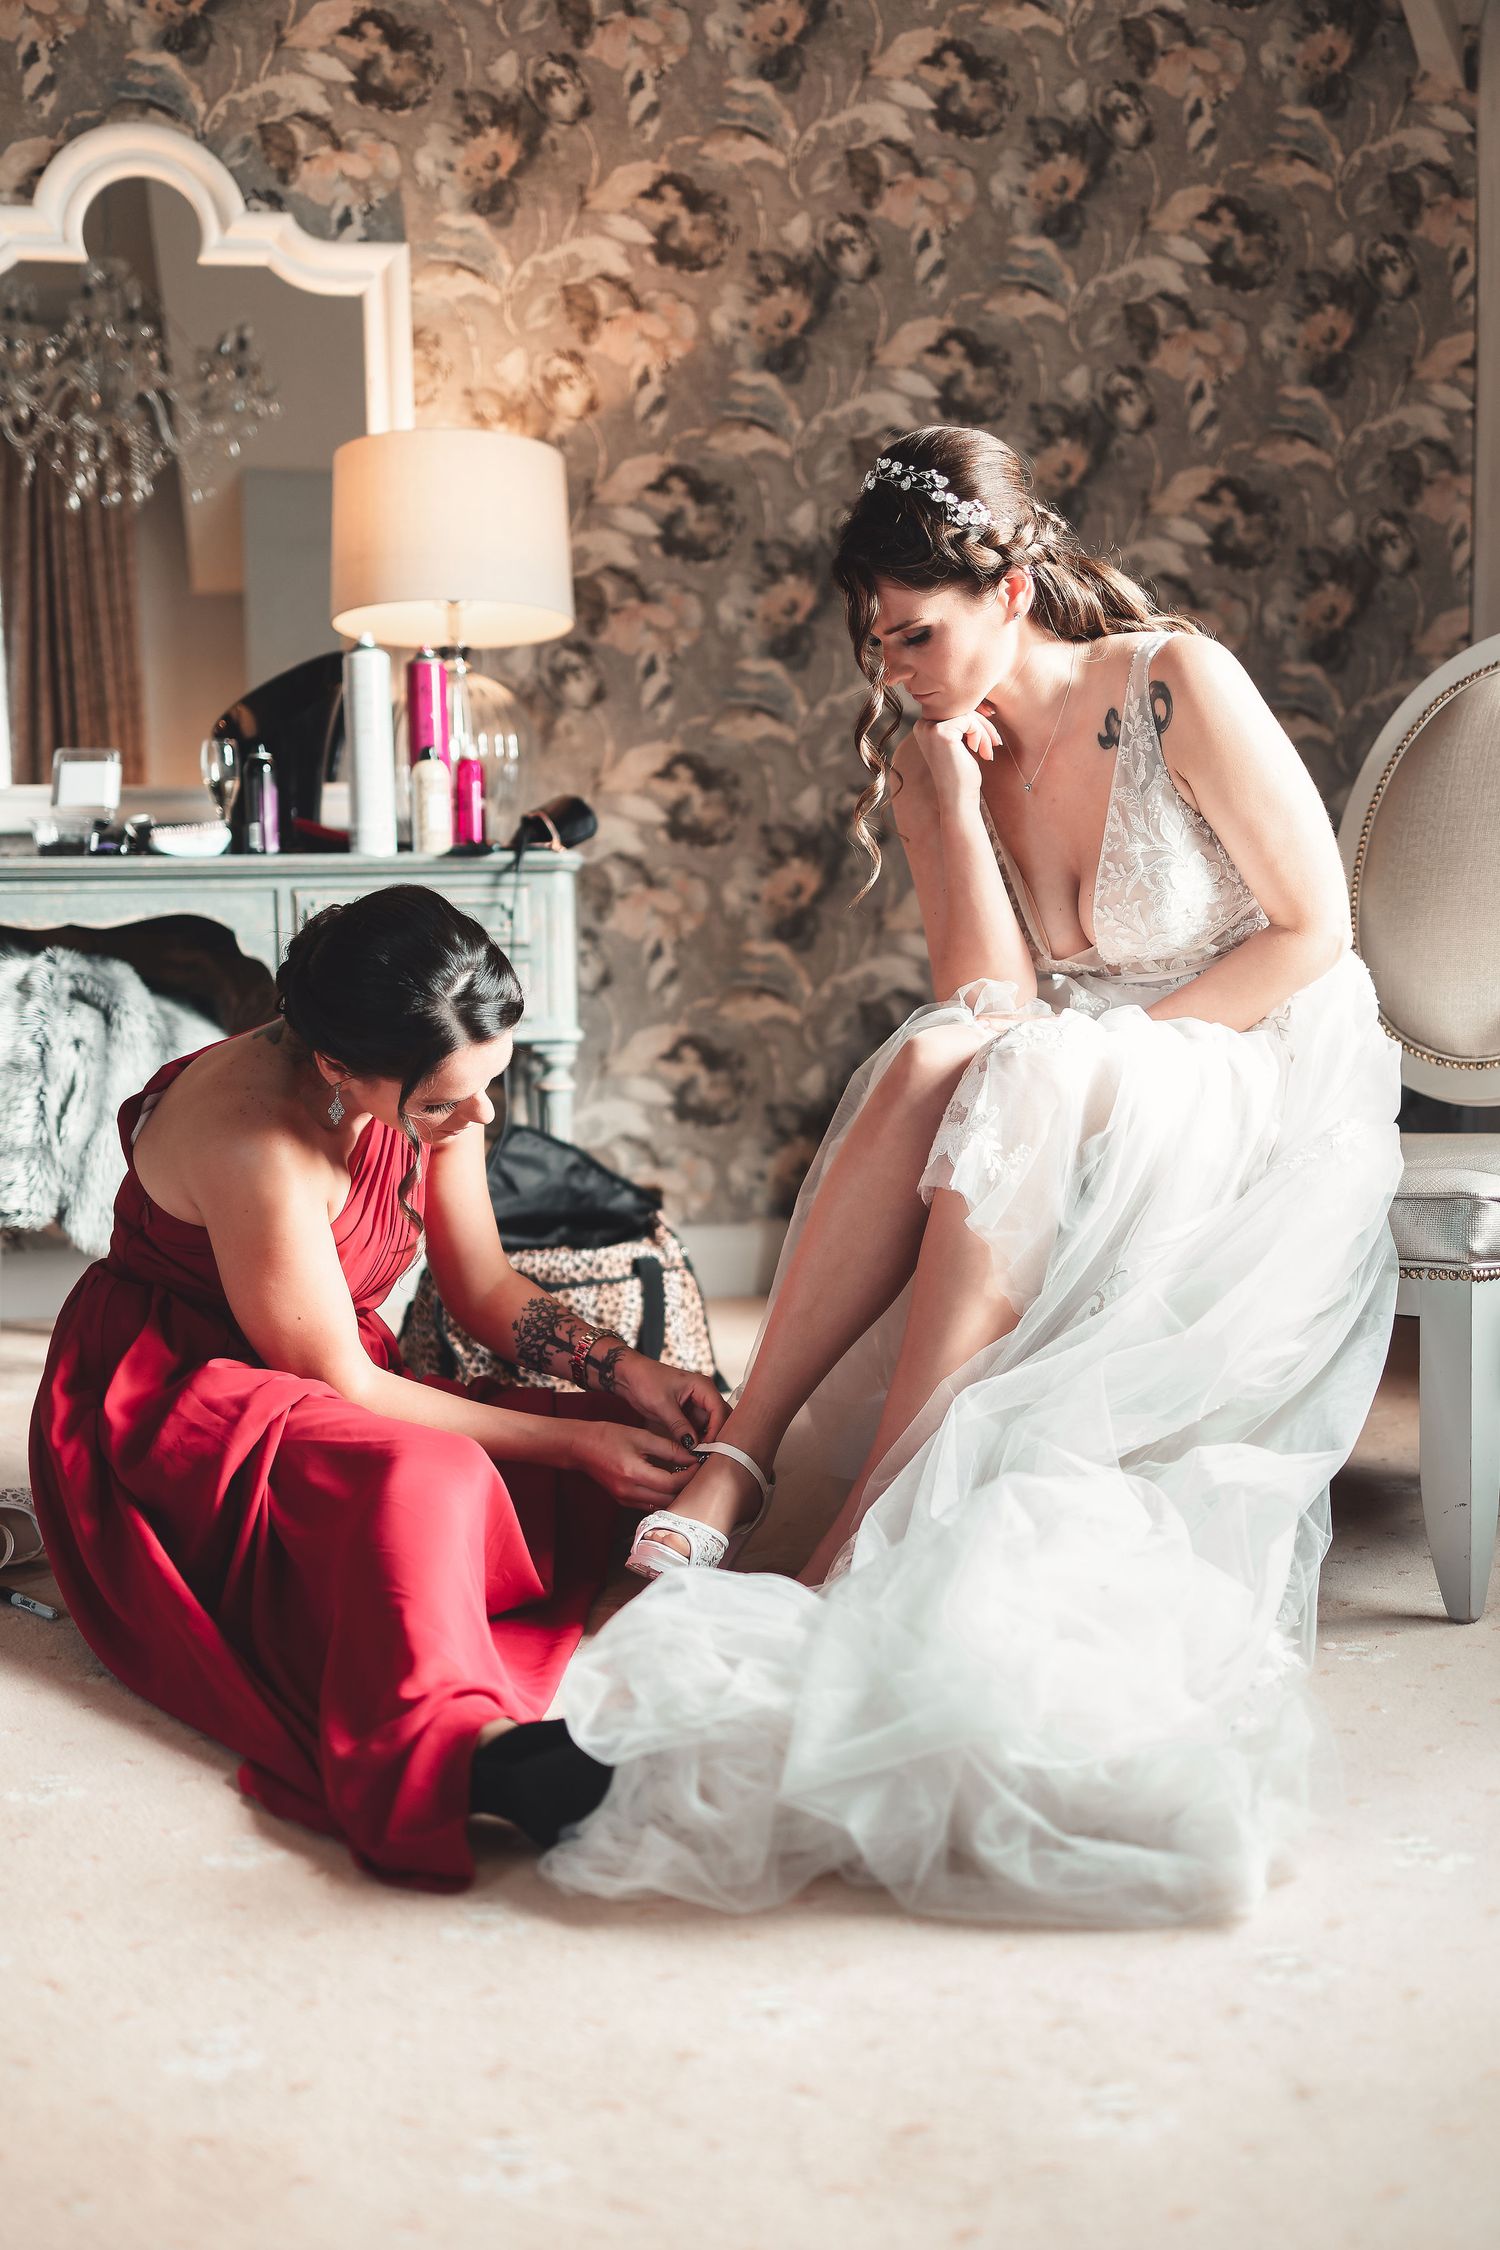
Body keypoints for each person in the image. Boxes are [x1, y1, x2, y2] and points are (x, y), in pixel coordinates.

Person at [542, 424, 1404, 1925]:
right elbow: (987, 1002)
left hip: (1261, 1058)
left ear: (1009, 585)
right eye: (877, 643)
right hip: (1071, 1070)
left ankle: (871, 1507)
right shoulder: (958, 753)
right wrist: (940, 806)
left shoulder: (1171, 680)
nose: (896, 670)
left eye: (917, 634)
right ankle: (746, 1449)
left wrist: (1125, 1059)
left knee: (1038, 1067)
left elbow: (1313, 929)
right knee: (946, 1056)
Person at [28, 886, 726, 1889]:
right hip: (181, 1395)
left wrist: (625, 1370)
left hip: (324, 1364)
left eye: (492, 1083)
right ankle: (457, 1751)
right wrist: (569, 1447)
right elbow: (334, 1379)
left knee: (621, 1427)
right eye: (447, 1101)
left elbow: (482, 1285)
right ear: (336, 1067)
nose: (477, 1116)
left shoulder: (432, 1069)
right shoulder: (250, 1139)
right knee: (433, 1480)